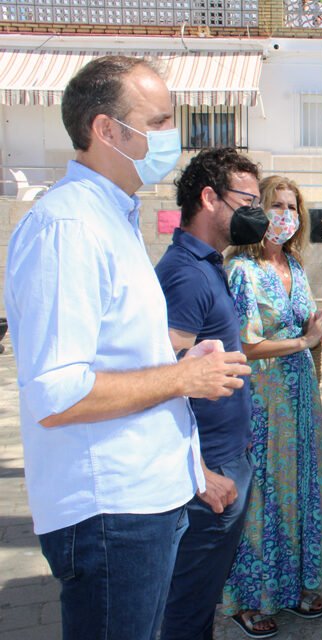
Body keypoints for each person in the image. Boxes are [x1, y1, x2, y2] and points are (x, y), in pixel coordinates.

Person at [3, 55, 250, 640]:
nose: (175, 138)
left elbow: (127, 364)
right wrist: (182, 379)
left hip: (143, 498)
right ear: (106, 130)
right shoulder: (68, 227)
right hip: (110, 512)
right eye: (160, 121)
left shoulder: (112, 220)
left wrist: (191, 469)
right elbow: (58, 392)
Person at [156, 148, 269, 640]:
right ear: (209, 198)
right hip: (207, 474)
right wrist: (198, 474)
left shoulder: (207, 264)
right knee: (187, 606)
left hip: (223, 459)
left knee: (197, 600)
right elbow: (161, 382)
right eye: (248, 199)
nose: (257, 213)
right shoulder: (185, 273)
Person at [221, 175, 322, 636]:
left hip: (300, 398)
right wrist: (305, 338)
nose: (285, 216)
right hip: (261, 402)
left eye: (292, 207)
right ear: (256, 213)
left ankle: (290, 588)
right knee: (261, 499)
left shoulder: (295, 264)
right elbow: (245, 344)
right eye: (275, 206)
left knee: (297, 494)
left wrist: (316, 329)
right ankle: (247, 597)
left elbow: (301, 331)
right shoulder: (240, 270)